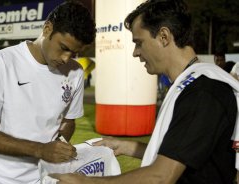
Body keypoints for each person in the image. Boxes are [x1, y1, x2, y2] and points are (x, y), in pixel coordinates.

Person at [51, 0, 239, 183]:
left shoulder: (202, 92)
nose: (135, 52)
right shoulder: (195, 84)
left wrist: (88, 182)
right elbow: (184, 151)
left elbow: (161, 176)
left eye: (139, 43)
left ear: (164, 37)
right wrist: (128, 146)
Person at [0, 1, 95, 183]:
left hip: (44, 178)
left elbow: (68, 121)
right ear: (47, 29)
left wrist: (59, 145)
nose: (66, 58)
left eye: (74, 53)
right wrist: (40, 150)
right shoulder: (3, 62)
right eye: (64, 48)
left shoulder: (75, 72)